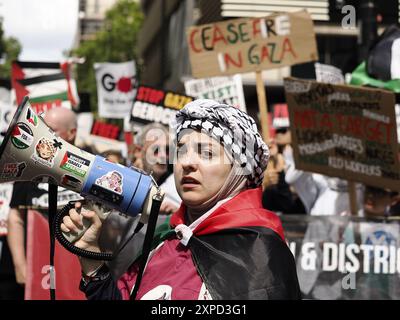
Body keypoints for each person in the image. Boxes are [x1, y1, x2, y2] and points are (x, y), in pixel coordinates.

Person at [61, 99, 301, 300]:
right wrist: (91, 255)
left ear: (239, 170)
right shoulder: (163, 238)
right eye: (182, 150)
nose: (186, 162)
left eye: (206, 153)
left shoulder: (261, 253)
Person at [7, 107, 82, 293]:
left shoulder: (92, 168)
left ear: (72, 133)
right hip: (39, 267)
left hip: (80, 269)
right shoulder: (30, 167)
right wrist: (20, 265)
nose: (44, 137)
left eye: (51, 130)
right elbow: (16, 218)